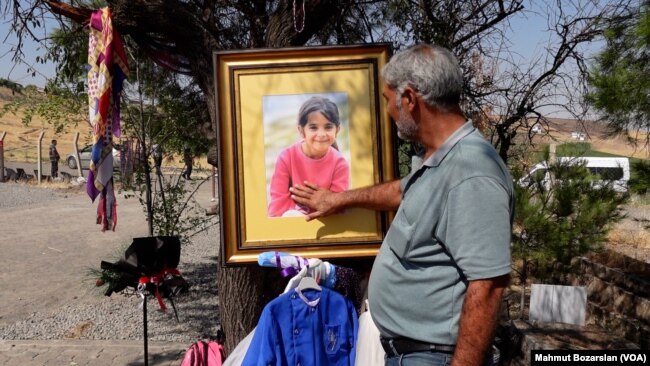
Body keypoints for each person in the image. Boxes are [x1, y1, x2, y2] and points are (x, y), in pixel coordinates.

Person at [289, 44, 513, 366]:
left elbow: (489, 286)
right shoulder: (442, 157)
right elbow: (402, 191)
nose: (389, 110)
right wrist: (337, 199)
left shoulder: (472, 173)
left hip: (436, 357)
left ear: (409, 99)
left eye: (387, 100)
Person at [267, 96, 350, 217]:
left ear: (337, 130)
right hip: (292, 224)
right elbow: (277, 205)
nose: (321, 134)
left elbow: (337, 208)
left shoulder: (340, 164)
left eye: (328, 127)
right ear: (301, 131)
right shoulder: (286, 157)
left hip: (325, 225)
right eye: (313, 127)